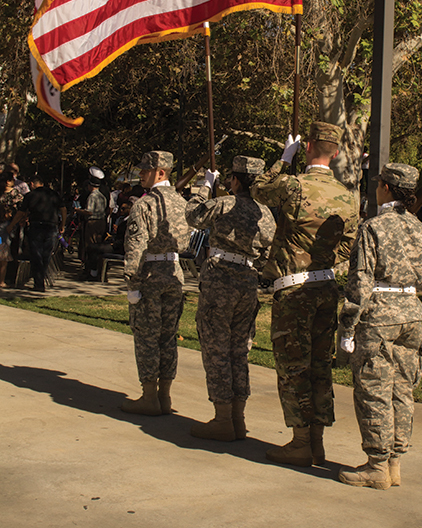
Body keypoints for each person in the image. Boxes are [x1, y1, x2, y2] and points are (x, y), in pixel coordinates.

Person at [250, 122, 359, 466]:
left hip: (295, 288)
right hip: (326, 286)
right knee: (319, 366)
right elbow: (348, 245)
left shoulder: (294, 186)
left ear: (308, 146)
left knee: (293, 366)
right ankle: (317, 441)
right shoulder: (348, 196)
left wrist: (284, 157)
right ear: (337, 152)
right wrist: (322, 258)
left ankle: (299, 442)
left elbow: (258, 189)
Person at [338, 163, 422, 490]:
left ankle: (376, 465)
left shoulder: (373, 227)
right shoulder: (421, 229)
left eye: (379, 183)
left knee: (374, 388)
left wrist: (348, 326)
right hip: (412, 312)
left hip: (379, 314)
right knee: (402, 389)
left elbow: (360, 281)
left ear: (387, 188)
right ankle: (394, 463)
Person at [185, 156, 276, 441]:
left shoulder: (224, 203)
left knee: (216, 349)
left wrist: (204, 187)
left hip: (221, 277)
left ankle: (223, 417)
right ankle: (238, 418)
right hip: (247, 280)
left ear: (235, 180)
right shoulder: (266, 213)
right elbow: (267, 249)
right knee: (239, 351)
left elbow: (193, 215)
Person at [121, 150, 191, 416]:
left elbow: (135, 247)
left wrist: (132, 284)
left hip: (149, 273)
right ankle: (165, 396)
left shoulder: (144, 204)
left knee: (147, 336)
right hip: (174, 271)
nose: (141, 174)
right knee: (168, 336)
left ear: (160, 172)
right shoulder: (182, 203)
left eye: (145, 170)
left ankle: (149, 396)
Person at [7, 175, 65, 292]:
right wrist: (62, 224)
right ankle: (40, 278)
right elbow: (63, 209)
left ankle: (39, 282)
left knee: (36, 253)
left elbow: (21, 212)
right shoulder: (53, 194)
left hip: (36, 225)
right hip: (51, 225)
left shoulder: (30, 196)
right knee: (46, 254)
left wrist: (11, 225)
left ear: (32, 184)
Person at [75, 174, 107, 279]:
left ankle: (91, 270)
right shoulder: (102, 196)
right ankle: (98, 269)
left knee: (91, 246)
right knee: (98, 245)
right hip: (102, 221)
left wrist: (78, 211)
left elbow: (89, 212)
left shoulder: (92, 196)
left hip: (93, 222)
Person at [0, 171, 24, 287]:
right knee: (3, 250)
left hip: (9, 227)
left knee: (7, 251)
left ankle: (6, 278)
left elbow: (21, 211)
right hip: (4, 226)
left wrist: (13, 224)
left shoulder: (15, 194)